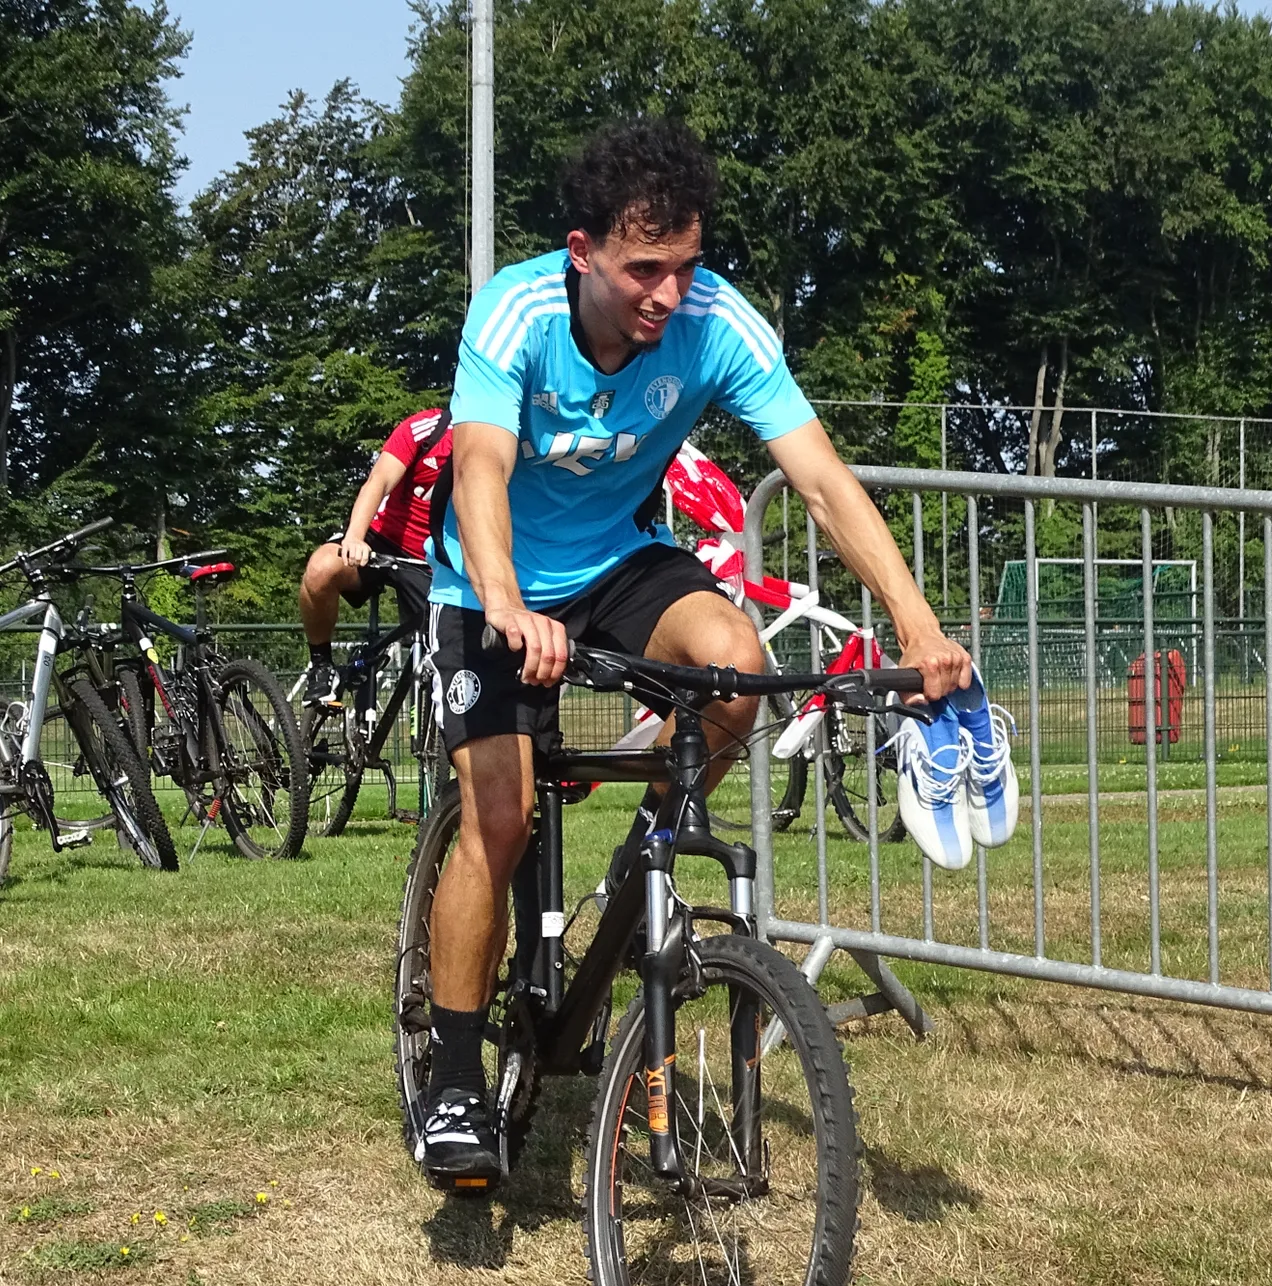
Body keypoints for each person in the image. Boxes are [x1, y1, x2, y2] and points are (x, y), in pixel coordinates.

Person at [417, 117, 971, 1177]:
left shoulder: (718, 322)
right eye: (642, 270)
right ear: (583, 253)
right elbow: (480, 467)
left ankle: (644, 860)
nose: (667, 295)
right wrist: (503, 603)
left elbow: (818, 475)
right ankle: (451, 1080)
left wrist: (915, 619)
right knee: (501, 812)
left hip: (621, 562)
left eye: (685, 265)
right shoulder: (519, 311)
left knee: (738, 663)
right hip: (488, 578)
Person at [298, 409, 451, 704]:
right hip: (383, 539)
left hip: (437, 558)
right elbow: (378, 480)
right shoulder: (427, 429)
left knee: (448, 647)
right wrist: (354, 536)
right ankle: (321, 665)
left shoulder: (501, 438)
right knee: (321, 569)